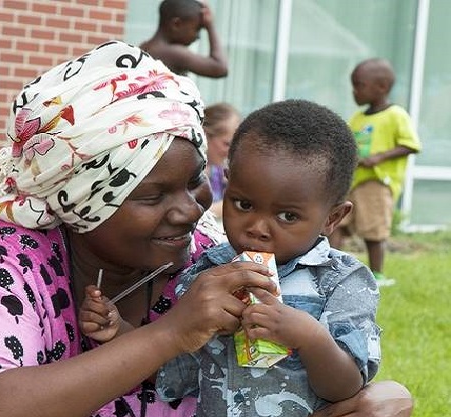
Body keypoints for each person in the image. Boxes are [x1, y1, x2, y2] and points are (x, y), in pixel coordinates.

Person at [0, 41, 413, 417]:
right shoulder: (10, 259)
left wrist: (367, 398)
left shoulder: (210, 255)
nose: (189, 210)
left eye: (196, 183)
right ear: (83, 199)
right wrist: (170, 332)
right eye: (153, 195)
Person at [149, 99, 380, 416]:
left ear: (333, 217)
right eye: (243, 204)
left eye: (287, 215)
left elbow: (347, 388)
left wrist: (310, 337)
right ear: (228, 186)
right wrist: (120, 331)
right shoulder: (208, 272)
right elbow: (177, 374)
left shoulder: (341, 281)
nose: (257, 228)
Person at [329, 58, 422, 287]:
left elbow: (410, 144)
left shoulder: (396, 115)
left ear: (381, 87)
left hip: (377, 182)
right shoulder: (358, 118)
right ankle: (329, 265)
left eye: (359, 85)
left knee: (374, 228)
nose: (354, 91)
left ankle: (377, 274)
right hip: (353, 181)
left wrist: (379, 157)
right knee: (337, 223)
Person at [140, 0, 228, 78]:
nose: (198, 37)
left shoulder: (145, 46)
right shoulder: (173, 53)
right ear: (176, 24)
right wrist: (210, 26)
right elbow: (220, 68)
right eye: (197, 29)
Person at [203, 102, 241, 219]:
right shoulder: (188, 173)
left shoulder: (219, 172)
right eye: (227, 144)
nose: (231, 152)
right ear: (205, 135)